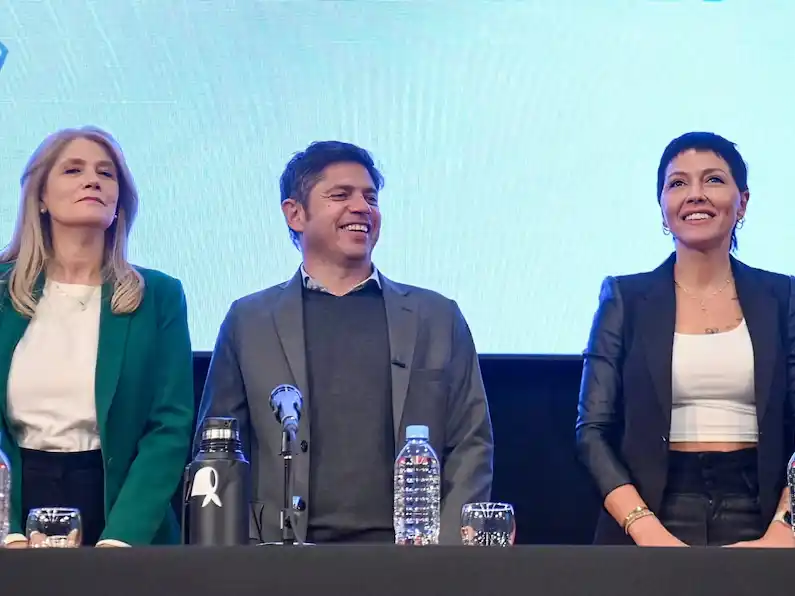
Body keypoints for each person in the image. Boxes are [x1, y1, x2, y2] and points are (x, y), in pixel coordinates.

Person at [197, 140, 493, 545]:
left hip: (411, 564)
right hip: (280, 562)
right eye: (340, 195)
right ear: (295, 213)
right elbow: (220, 455)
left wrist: (445, 554)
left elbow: (471, 442)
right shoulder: (249, 321)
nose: (362, 207)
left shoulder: (437, 318)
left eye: (370, 197)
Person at [576, 131, 795, 547]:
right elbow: (591, 432)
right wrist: (646, 528)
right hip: (652, 511)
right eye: (678, 183)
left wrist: (786, 528)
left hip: (763, 509)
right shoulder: (625, 298)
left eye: (713, 180)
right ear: (662, 208)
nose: (695, 195)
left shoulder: (784, 297)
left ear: (742, 202)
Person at [0, 126, 194, 547]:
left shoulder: (159, 296)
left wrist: (121, 540)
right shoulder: (1, 292)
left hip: (120, 511)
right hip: (14, 497)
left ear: (119, 200)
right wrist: (8, 532)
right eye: (73, 170)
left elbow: (169, 425)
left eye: (106, 174)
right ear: (40, 198)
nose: (93, 180)